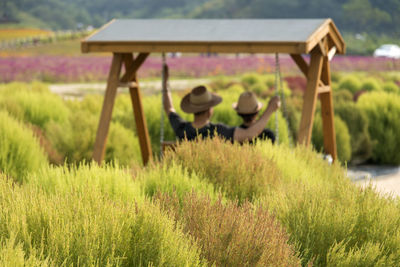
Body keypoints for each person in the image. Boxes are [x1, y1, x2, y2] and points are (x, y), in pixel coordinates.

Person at [162, 65, 280, 143]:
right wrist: (270, 108)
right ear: (210, 111)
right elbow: (249, 134)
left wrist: (165, 82)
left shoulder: (182, 129)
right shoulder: (218, 132)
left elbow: (169, 108)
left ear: (192, 110)